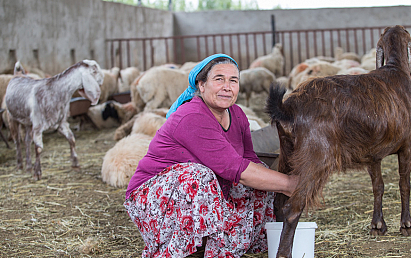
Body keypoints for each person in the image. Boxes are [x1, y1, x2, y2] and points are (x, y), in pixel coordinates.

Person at [124, 53, 297, 258]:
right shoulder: (192, 115)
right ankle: (184, 249)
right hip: (152, 198)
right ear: (202, 85)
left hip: (200, 193)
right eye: (219, 79)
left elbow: (249, 159)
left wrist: (273, 178)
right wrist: (290, 184)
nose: (227, 86)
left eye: (233, 80)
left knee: (261, 176)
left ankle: (229, 242)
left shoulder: (238, 114)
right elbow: (234, 168)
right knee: (200, 176)